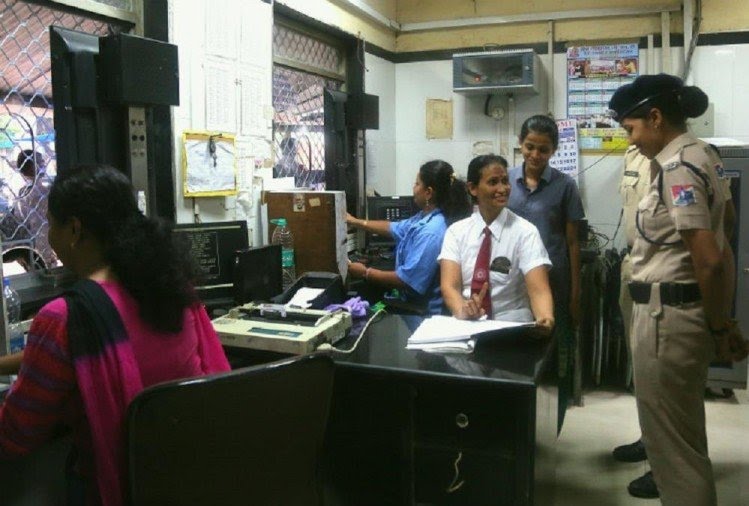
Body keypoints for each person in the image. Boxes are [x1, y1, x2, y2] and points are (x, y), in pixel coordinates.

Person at [0, 165, 231, 506]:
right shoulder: (169, 288)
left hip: (117, 488)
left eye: (51, 224)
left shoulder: (66, 317)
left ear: (75, 229)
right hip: (186, 476)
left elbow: (16, 434)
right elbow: (117, 347)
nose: (50, 236)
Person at [608, 73, 748, 506]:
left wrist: (721, 326)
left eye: (631, 129)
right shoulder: (704, 154)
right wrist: (722, 323)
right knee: (685, 438)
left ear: (655, 117)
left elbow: (708, 257)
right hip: (680, 316)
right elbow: (725, 239)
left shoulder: (678, 168)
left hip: (666, 319)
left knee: (673, 451)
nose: (630, 141)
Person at [508, 114, 585, 431]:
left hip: (553, 282)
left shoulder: (565, 186)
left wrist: (576, 293)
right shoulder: (505, 180)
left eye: (543, 149)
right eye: (529, 147)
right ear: (521, 144)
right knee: (515, 351)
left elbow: (572, 242)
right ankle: (517, 418)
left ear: (553, 150)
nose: (535, 156)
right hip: (512, 282)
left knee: (554, 352)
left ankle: (554, 421)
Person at [439, 154, 554, 331]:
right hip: (467, 325)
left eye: (505, 181)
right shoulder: (456, 232)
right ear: (473, 188)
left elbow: (538, 289)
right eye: (493, 182)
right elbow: (450, 286)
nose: (503, 189)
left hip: (511, 326)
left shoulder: (525, 232)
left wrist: (545, 318)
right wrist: (463, 309)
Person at [347, 160, 471, 315]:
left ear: (428, 192)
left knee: (370, 309)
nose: (414, 188)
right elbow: (393, 227)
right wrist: (355, 221)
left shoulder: (432, 231)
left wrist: (366, 273)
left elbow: (407, 281)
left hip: (421, 312)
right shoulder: (424, 217)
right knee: (371, 304)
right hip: (406, 301)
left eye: (417, 184)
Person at [14, 149, 56, 267]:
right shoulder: (43, 191)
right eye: (40, 162)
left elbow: (20, 218)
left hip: (33, 243)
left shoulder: (22, 192)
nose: (44, 165)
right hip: (44, 242)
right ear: (30, 167)